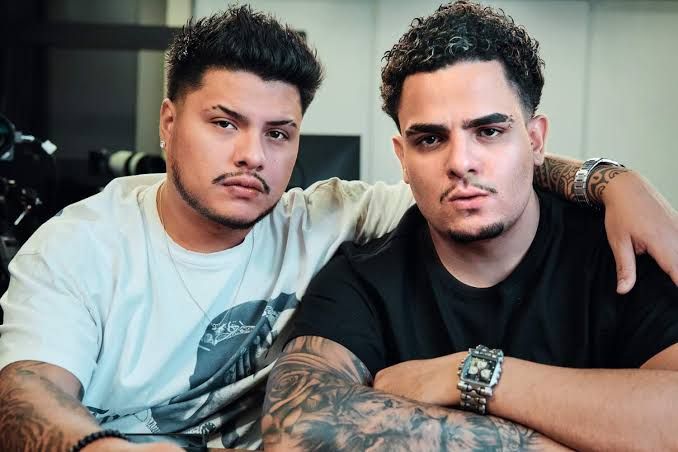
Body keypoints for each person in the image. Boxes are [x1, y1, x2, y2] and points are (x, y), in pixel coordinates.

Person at [0, 4, 675, 452]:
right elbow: (23, 398)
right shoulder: (82, 245)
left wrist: (610, 180)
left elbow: (473, 177)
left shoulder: (321, 217)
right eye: (225, 123)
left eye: (278, 132)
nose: (252, 155)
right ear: (169, 124)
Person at [262, 2, 678, 451]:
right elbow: (298, 428)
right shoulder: (360, 280)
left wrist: (473, 375)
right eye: (430, 139)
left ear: (535, 140)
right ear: (402, 158)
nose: (461, 162)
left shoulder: (620, 252)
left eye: (489, 132)